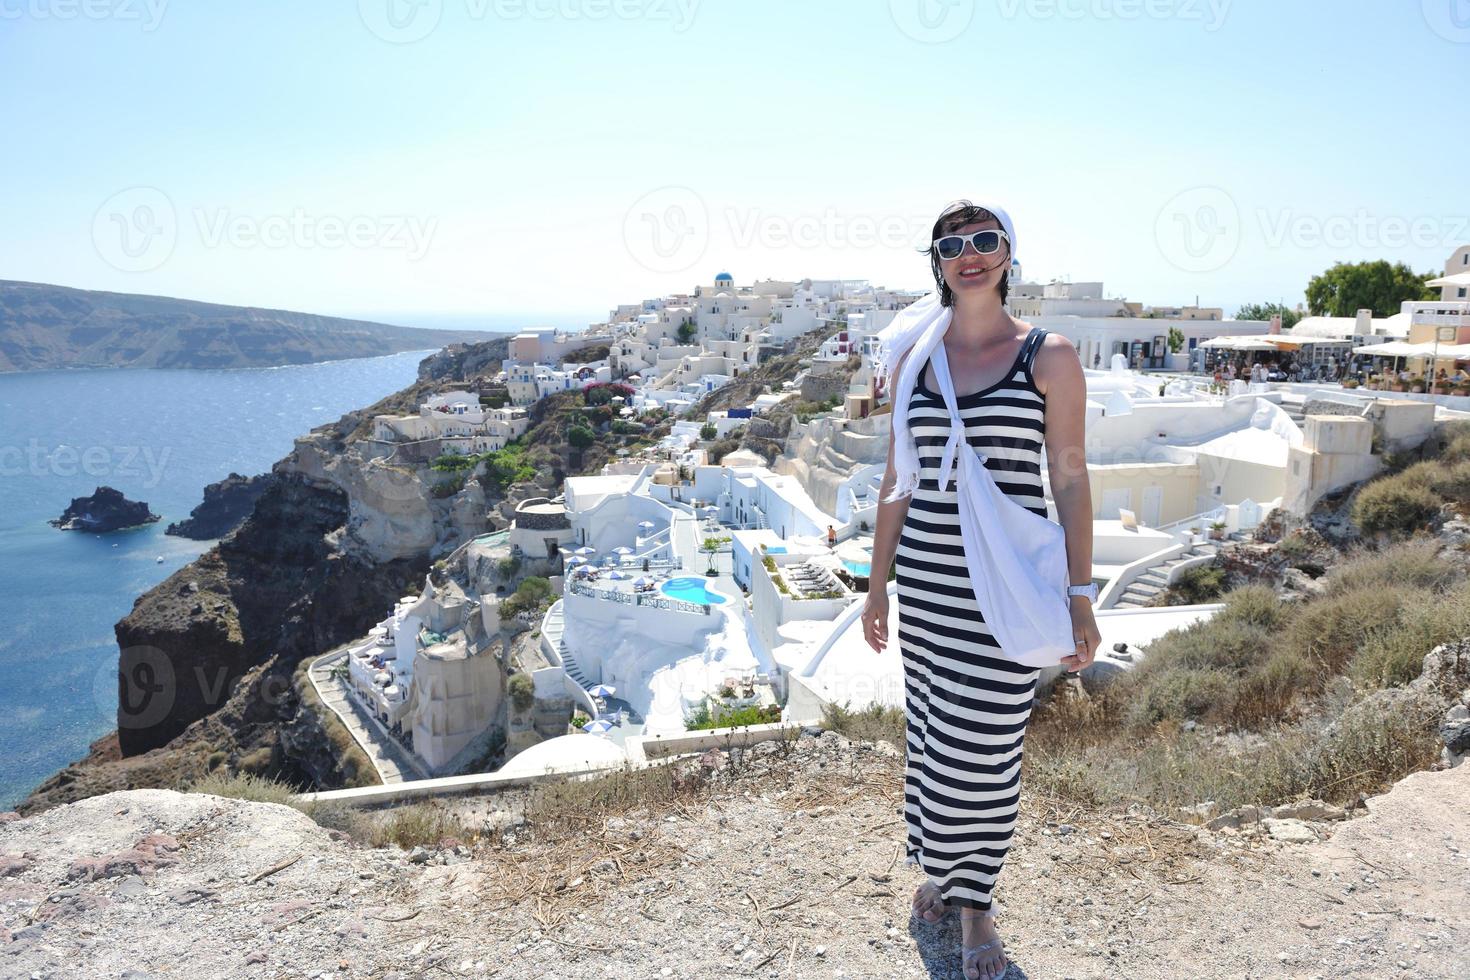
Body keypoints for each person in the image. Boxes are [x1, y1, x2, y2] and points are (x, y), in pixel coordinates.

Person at [861, 200, 1099, 980]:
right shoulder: (913, 359)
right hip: (928, 585)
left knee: (987, 753)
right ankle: (940, 870)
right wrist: (876, 587)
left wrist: (1080, 593)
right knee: (932, 738)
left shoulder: (1047, 355)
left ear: (1008, 254)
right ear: (936, 260)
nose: (970, 254)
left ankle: (976, 905)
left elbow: (1068, 477)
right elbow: (897, 479)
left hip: (1006, 591)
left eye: (985, 240)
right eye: (953, 244)